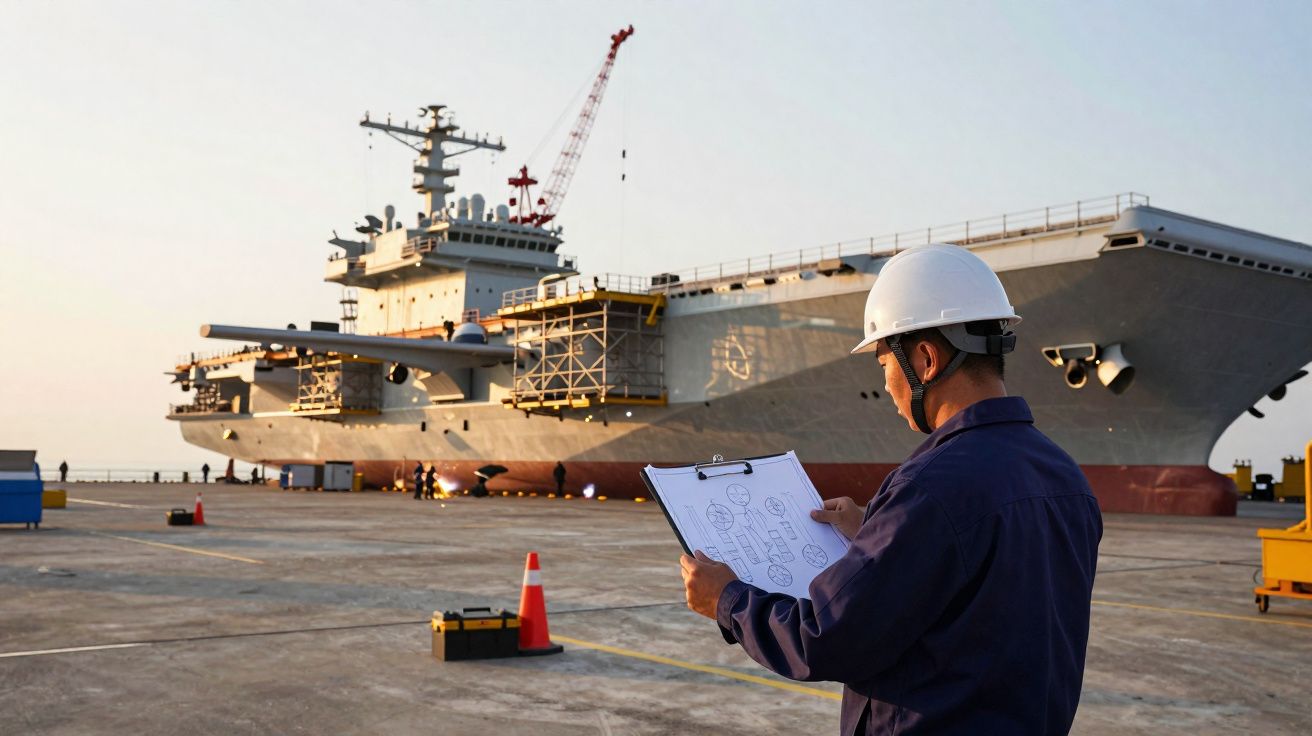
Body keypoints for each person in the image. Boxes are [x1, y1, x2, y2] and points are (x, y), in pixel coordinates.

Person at [680, 244, 1102, 735]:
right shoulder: (1066, 477)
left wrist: (727, 599)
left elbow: (824, 638)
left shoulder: (929, 488)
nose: (885, 385)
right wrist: (879, 529)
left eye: (884, 364)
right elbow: (987, 592)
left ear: (925, 359)